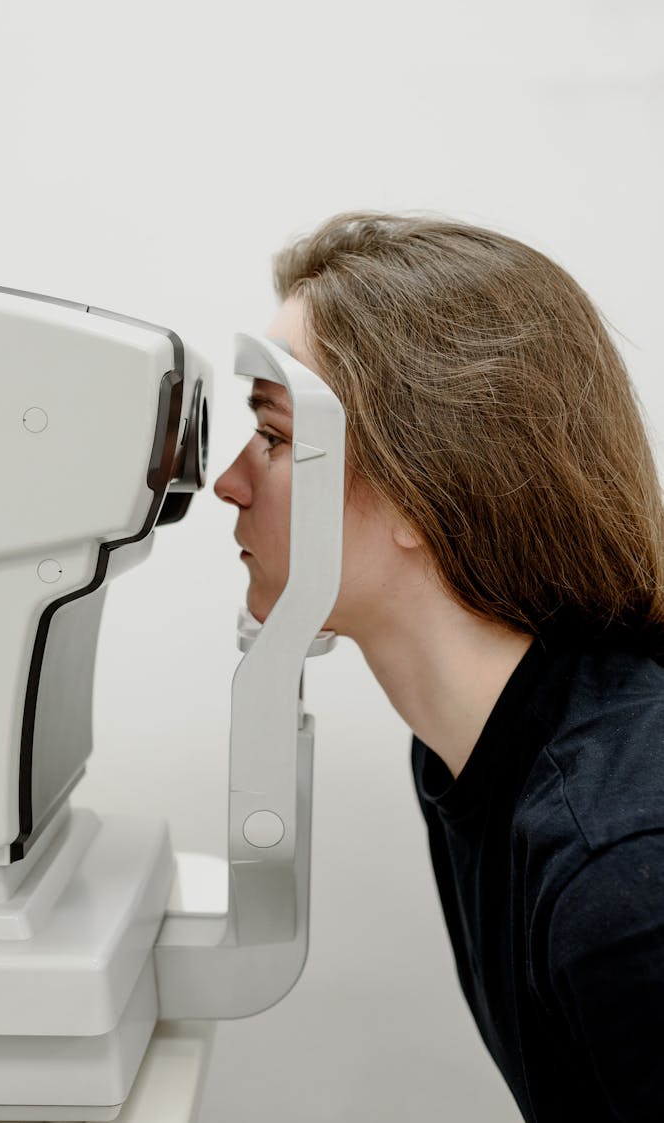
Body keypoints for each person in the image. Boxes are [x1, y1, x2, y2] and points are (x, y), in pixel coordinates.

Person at [214, 211, 664, 1122]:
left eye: (271, 435)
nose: (229, 480)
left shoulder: (620, 871)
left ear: (419, 488)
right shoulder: (465, 752)